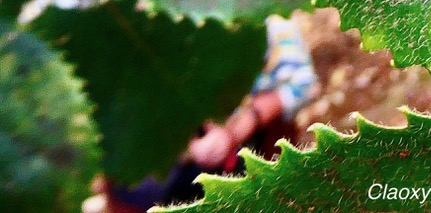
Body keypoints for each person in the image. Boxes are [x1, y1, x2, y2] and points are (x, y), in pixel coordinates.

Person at [106, 14, 318, 212]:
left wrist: (240, 126)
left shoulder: (268, 20)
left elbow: (303, 82)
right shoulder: (136, 14)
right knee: (130, 192)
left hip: (240, 145)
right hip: (164, 143)